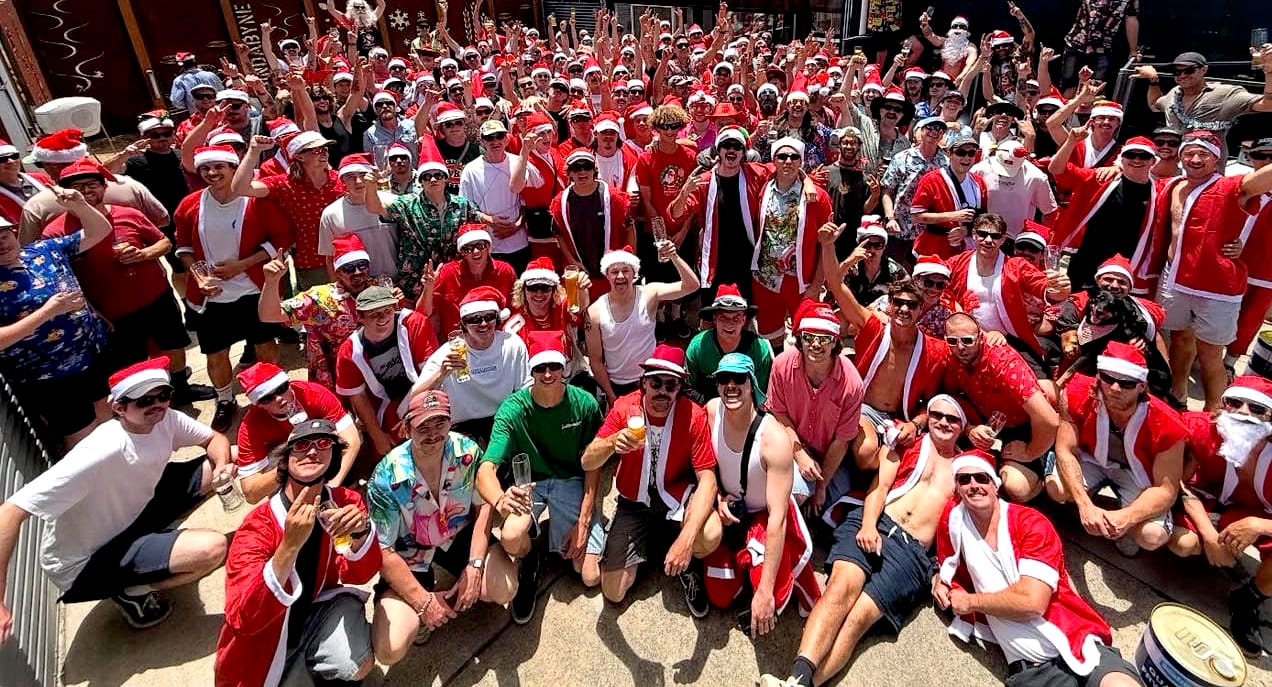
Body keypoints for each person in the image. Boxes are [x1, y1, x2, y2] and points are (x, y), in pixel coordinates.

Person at [0, 358, 231, 635]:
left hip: (130, 516)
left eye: (164, 395)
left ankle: (156, 545)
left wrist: (222, 467)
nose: (157, 404)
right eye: (144, 401)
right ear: (119, 408)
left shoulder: (166, 418)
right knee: (212, 549)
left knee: (231, 457)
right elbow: (9, 512)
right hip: (86, 561)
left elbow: (214, 440)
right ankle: (132, 590)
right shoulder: (99, 451)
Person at [759, 401, 966, 687]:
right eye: (937, 415)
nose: (943, 422)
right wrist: (869, 525)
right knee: (840, 589)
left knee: (858, 620)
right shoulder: (908, 444)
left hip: (912, 552)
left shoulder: (968, 470)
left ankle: (798, 685)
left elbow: (964, 527)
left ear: (962, 426)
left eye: (952, 419)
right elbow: (880, 486)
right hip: (878, 521)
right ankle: (799, 677)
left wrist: (940, 573)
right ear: (926, 417)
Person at [934, 452, 1143, 687]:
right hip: (1032, 669)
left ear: (995, 484)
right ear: (957, 489)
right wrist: (941, 578)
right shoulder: (955, 523)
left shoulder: (1030, 523)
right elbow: (948, 560)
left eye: (981, 478)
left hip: (1076, 637)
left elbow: (1032, 602)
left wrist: (970, 602)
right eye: (964, 480)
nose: (974, 485)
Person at [214, 419, 381, 687]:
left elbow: (359, 575)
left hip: (317, 610)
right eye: (301, 445)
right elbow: (242, 617)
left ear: (334, 457)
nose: (312, 451)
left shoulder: (345, 503)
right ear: (285, 460)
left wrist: (361, 533)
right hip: (265, 637)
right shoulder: (258, 526)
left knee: (358, 663)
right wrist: (289, 546)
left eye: (323, 444)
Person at [367, 391, 519, 664]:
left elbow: (483, 506)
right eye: (423, 426)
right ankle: (422, 608)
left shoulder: (467, 452)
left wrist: (475, 565)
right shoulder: (385, 477)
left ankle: (463, 583)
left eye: (440, 423)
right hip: (410, 551)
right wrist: (422, 602)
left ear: (450, 422)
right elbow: (383, 549)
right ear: (406, 429)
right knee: (390, 648)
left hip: (458, 535)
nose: (433, 433)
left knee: (504, 588)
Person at [42, 160, 212, 402]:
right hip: (112, 312)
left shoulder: (128, 213)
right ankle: (150, 399)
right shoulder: (56, 232)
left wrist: (143, 254)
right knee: (131, 361)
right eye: (78, 187)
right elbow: (63, 283)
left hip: (157, 297)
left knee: (173, 344)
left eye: (92, 184)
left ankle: (180, 389)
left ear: (104, 187)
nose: (87, 191)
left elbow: (164, 243)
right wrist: (94, 314)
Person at [474, 332, 606, 623]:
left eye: (554, 366)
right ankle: (529, 556)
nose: (547, 374)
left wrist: (584, 521)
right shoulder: (512, 409)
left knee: (589, 575)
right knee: (511, 536)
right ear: (530, 371)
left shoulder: (585, 404)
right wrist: (501, 500)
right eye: (539, 367)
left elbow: (594, 465)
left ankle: (577, 529)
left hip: (571, 480)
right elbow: (486, 469)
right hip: (529, 483)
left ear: (564, 367)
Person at [1137, 131, 1272, 410]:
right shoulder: (1172, 185)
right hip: (1174, 278)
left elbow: (1259, 181)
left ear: (1217, 159)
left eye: (1204, 154)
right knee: (1179, 339)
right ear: (1180, 157)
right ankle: (1178, 397)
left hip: (1216, 286)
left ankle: (1213, 415)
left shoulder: (1230, 187)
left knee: (1210, 354)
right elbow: (1135, 172)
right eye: (1189, 153)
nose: (1195, 159)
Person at [580, 344, 718, 614]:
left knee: (710, 533)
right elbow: (587, 461)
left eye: (671, 385)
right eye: (656, 383)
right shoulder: (624, 409)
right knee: (613, 591)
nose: (662, 391)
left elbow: (708, 480)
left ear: (679, 388)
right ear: (644, 382)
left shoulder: (693, 415)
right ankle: (650, 547)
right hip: (635, 502)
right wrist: (611, 442)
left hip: (676, 496)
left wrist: (686, 540)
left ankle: (685, 558)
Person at [819, 226, 947, 487]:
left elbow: (930, 401)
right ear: (889, 304)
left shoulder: (933, 350)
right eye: (898, 303)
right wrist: (828, 245)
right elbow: (836, 285)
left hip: (900, 418)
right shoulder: (873, 326)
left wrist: (915, 425)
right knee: (866, 455)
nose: (904, 309)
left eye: (911, 305)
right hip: (864, 410)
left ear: (920, 309)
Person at [702, 353, 821, 631]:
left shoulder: (774, 440)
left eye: (739, 379)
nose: (731, 386)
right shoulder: (711, 411)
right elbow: (705, 464)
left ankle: (774, 570)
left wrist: (765, 591)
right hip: (729, 512)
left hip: (763, 515)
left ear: (751, 383)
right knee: (719, 597)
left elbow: (778, 518)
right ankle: (743, 565)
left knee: (774, 596)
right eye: (724, 379)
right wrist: (717, 497)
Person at [176, 144, 290, 431]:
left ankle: (270, 393)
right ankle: (225, 400)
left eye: (219, 167)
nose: (212, 173)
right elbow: (184, 247)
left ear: (233, 168)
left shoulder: (256, 201)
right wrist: (198, 276)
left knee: (265, 347)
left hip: (254, 291)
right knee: (216, 354)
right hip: (212, 297)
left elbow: (281, 238)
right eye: (205, 168)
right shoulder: (190, 205)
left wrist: (242, 265)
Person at [1047, 342, 1185, 556]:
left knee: (1152, 536)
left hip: (1136, 473)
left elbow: (1166, 490)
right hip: (1091, 459)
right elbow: (1065, 450)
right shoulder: (1075, 393)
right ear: (1098, 376)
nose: (1114, 388)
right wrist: (1084, 505)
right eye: (1108, 378)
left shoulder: (1168, 425)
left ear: (1142, 386)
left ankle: (1120, 522)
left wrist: (1127, 518)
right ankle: (1088, 505)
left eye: (1126, 383)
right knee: (1056, 488)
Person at [0, 188, 110, 447]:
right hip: (50, 376)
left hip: (91, 353)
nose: (2, 244)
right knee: (83, 435)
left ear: (13, 233)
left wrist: (80, 205)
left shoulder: (44, 250)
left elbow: (99, 231)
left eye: (3, 236)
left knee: (107, 413)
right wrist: (48, 311)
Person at [1170, 375, 1272, 654]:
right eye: (1235, 403)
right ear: (1223, 404)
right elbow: (1173, 478)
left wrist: (1258, 524)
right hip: (1205, 501)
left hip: (1257, 512)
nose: (1243, 413)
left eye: (1257, 408)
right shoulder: (1199, 427)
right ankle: (1216, 552)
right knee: (1184, 544)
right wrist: (1209, 535)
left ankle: (1248, 600)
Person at [943, 313, 1059, 502]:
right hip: (994, 422)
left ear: (980, 337)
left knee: (1017, 487)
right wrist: (970, 428)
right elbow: (951, 397)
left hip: (1029, 426)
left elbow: (1048, 420)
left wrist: (1029, 452)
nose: (960, 347)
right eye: (953, 341)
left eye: (967, 340)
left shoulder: (1001, 360)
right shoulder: (951, 356)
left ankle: (1044, 472)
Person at [765, 299, 866, 516]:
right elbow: (779, 414)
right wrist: (800, 454)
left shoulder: (852, 383)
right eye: (809, 337)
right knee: (795, 494)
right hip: (791, 445)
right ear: (800, 339)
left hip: (830, 456)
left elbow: (842, 440)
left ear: (835, 342)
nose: (816, 345)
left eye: (825, 339)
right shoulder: (781, 365)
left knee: (830, 504)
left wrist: (821, 486)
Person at [945, 213, 1070, 381]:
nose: (988, 240)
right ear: (974, 234)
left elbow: (1044, 287)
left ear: (1003, 239)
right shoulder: (958, 262)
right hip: (967, 341)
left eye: (995, 236)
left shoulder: (1016, 266)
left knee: (1045, 389)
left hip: (1011, 339)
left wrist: (1060, 291)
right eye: (982, 234)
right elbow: (937, 281)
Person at [366, 138, 490, 300]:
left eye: (438, 175)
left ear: (446, 178)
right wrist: (370, 186)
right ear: (421, 181)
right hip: (417, 280)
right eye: (427, 176)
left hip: (453, 277)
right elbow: (374, 208)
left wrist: (495, 221)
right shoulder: (407, 204)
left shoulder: (462, 204)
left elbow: (478, 223)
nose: (433, 180)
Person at [1048, 128, 1161, 291]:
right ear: (1121, 159)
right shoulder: (1100, 179)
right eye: (1130, 155)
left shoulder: (1160, 192)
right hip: (1087, 262)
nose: (1137, 160)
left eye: (1144, 156)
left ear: (1153, 161)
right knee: (1076, 304)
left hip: (1125, 268)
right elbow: (1056, 170)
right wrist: (1071, 142)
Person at [586, 243, 700, 402]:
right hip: (617, 385)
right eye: (614, 272)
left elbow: (692, 285)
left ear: (634, 273)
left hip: (651, 379)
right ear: (607, 275)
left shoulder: (649, 294)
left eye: (626, 270)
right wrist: (611, 396)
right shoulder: (594, 312)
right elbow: (595, 361)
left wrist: (673, 256)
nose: (620, 276)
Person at [234, 362, 361, 503]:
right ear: (258, 404)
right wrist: (286, 466)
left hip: (324, 450)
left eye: (281, 388)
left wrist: (330, 488)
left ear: (288, 384)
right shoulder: (251, 426)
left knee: (342, 443)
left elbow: (352, 439)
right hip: (288, 466)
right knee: (274, 457)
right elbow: (251, 493)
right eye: (267, 398)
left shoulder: (313, 394)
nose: (279, 398)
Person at [232, 131, 345, 290]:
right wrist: (253, 152)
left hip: (348, 257)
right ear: (299, 156)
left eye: (325, 149)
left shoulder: (341, 179)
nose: (324, 153)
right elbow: (240, 188)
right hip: (312, 263)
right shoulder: (284, 184)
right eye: (316, 150)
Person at [414, 287, 530, 442]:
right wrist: (441, 374)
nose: (483, 324)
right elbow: (415, 397)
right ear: (464, 324)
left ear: (497, 318)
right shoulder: (449, 352)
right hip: (461, 427)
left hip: (503, 419)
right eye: (474, 319)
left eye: (489, 317)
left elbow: (525, 389)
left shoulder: (511, 344)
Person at [669, 125, 769, 301]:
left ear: (743, 152)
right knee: (712, 310)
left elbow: (785, 168)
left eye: (737, 146)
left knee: (743, 310)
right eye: (726, 145)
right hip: (715, 258)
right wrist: (684, 192)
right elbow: (676, 214)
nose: (731, 150)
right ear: (718, 150)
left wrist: (805, 180)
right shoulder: (704, 181)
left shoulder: (755, 173)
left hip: (746, 258)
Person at [335, 285, 438, 456]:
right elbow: (358, 397)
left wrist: (413, 410)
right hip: (385, 409)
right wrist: (377, 435)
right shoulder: (350, 351)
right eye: (374, 314)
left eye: (387, 311)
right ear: (360, 317)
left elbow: (431, 373)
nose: (383, 318)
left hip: (423, 394)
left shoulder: (414, 323)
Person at [19, 129, 169, 245]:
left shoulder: (37, 205)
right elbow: (162, 219)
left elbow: (30, 249)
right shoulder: (128, 185)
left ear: (53, 166)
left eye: (42, 164)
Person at [258, 235, 369, 391]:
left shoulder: (380, 288)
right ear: (337, 272)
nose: (357, 272)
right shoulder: (319, 298)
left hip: (374, 373)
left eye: (362, 265)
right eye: (349, 268)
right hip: (335, 380)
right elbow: (269, 315)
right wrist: (271, 282)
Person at [751, 137, 831, 344]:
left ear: (801, 161)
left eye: (794, 157)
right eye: (782, 156)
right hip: (765, 279)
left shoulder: (817, 197)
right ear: (774, 160)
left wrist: (816, 285)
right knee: (770, 335)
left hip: (801, 282)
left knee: (805, 336)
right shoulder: (762, 188)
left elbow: (826, 245)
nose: (788, 161)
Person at [1137, 49, 1272, 166]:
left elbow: (1268, 104)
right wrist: (1153, 80)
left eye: (1189, 70)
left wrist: (1269, 72)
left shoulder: (1224, 93)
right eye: (1176, 72)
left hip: (1206, 168)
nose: (1182, 75)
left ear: (1204, 70)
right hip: (1172, 165)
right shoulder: (1174, 93)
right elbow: (1154, 104)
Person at [459, 119, 544, 272]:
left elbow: (531, 200)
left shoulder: (519, 161)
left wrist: (516, 225)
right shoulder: (470, 170)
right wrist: (489, 220)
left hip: (519, 243)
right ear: (482, 141)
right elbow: (465, 207)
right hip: (488, 245)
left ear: (507, 139)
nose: (495, 141)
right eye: (489, 137)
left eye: (499, 136)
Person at [551, 149, 634, 294]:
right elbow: (558, 234)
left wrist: (628, 261)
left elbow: (629, 229)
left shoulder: (614, 198)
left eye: (587, 166)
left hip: (611, 273)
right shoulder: (560, 203)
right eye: (576, 168)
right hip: (581, 274)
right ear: (569, 172)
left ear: (594, 169)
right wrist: (572, 261)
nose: (582, 172)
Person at [880, 115, 948, 268]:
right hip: (899, 228)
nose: (934, 132)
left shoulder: (946, 163)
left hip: (929, 233)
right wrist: (890, 218)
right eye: (930, 127)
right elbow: (887, 190)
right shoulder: (902, 158)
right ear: (920, 131)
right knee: (893, 270)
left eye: (939, 129)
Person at [685, 284, 773, 402]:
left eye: (736, 318)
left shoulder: (759, 349)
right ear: (714, 319)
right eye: (723, 317)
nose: (730, 323)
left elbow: (761, 394)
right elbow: (687, 387)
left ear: (744, 320)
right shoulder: (698, 346)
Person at [429, 223, 518, 338]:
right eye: (468, 248)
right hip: (459, 342)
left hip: (497, 339)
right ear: (461, 252)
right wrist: (428, 288)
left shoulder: (505, 271)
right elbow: (426, 313)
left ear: (488, 246)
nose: (475, 251)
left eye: (480, 245)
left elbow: (517, 310)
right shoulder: (447, 273)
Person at [318, 153, 398, 279]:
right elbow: (330, 257)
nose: (358, 181)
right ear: (342, 180)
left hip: (399, 281)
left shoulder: (393, 203)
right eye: (351, 177)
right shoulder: (331, 214)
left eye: (363, 175)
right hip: (358, 285)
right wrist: (338, 286)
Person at [1229, 137, 1272, 369]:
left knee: (1249, 320)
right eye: (1259, 155)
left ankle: (1229, 362)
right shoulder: (1235, 181)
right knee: (1217, 315)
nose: (1265, 162)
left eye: (1271, 157)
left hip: (1265, 271)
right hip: (1230, 263)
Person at [909, 132, 986, 259]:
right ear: (949, 154)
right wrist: (953, 216)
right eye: (961, 153)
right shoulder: (932, 180)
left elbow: (983, 216)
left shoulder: (978, 182)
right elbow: (916, 217)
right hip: (934, 249)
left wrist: (966, 230)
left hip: (965, 251)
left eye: (971, 153)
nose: (966, 158)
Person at [969, 139, 1058, 240]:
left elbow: (1050, 211)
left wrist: (1040, 238)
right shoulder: (979, 170)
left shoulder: (1036, 177)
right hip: (983, 236)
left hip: (1017, 239)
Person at [839, 216, 909, 309]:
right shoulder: (850, 266)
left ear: (884, 247)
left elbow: (909, 295)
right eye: (867, 245)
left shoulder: (896, 271)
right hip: (850, 311)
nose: (872, 250)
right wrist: (848, 262)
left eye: (878, 245)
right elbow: (831, 286)